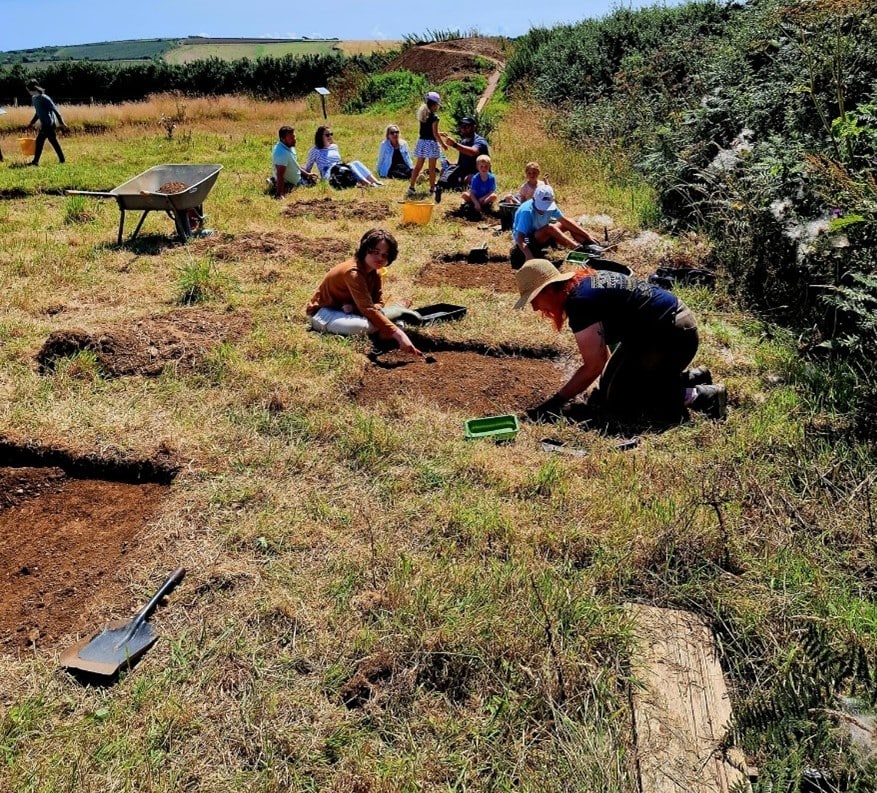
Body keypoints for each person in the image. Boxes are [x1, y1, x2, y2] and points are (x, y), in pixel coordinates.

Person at [513, 259, 727, 422]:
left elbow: (593, 365)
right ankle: (692, 377)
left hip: (671, 336)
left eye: (534, 299)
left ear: (549, 289)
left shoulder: (580, 303)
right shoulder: (582, 283)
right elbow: (606, 354)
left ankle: (702, 396)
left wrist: (555, 402)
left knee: (622, 400)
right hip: (668, 329)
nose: (534, 307)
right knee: (608, 388)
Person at [305, 228, 421, 356]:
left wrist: (356, 308)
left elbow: (379, 302)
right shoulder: (353, 272)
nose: (380, 258)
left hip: (350, 312)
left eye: (385, 255)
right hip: (324, 313)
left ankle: (386, 328)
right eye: (375, 252)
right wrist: (399, 335)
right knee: (363, 326)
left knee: (377, 319)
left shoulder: (374, 272)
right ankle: (389, 327)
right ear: (365, 249)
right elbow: (368, 309)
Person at [512, 184, 605, 263]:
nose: (544, 209)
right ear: (534, 198)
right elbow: (520, 238)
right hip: (529, 241)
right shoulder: (527, 212)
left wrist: (588, 235)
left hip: (543, 233)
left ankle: (590, 245)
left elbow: (564, 221)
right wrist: (529, 256)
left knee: (569, 222)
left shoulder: (550, 204)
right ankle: (578, 250)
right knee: (550, 228)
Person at [304, 126, 383, 188]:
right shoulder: (315, 150)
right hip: (328, 174)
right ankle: (367, 184)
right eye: (327, 135)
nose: (330, 137)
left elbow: (339, 161)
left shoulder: (334, 147)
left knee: (356, 162)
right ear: (320, 137)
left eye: (331, 134)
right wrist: (307, 175)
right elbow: (308, 168)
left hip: (339, 169)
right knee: (349, 165)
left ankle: (375, 181)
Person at [408, 91, 447, 202]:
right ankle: (431, 188)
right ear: (434, 105)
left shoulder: (423, 115)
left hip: (422, 142)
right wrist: (443, 144)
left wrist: (441, 133)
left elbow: (428, 131)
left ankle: (411, 186)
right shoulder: (435, 117)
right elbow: (434, 133)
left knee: (418, 166)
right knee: (432, 168)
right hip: (431, 144)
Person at [436, 116, 490, 197]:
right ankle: (447, 186)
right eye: (461, 127)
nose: (463, 129)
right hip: (464, 170)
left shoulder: (479, 141)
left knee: (469, 179)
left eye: (466, 127)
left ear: (474, 127)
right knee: (445, 171)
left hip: (478, 171)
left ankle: (461, 186)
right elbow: (461, 163)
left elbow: (473, 152)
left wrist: (455, 145)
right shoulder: (464, 141)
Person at [25, 80, 68, 166]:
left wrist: (62, 123)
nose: (28, 92)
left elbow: (55, 111)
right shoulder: (34, 99)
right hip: (44, 124)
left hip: (49, 124)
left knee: (41, 141)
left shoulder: (45, 98)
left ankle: (35, 162)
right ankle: (61, 160)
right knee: (51, 141)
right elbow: (38, 113)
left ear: (33, 89)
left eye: (28, 90)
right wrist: (31, 122)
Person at [270, 126, 317, 198]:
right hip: (295, 182)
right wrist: (280, 194)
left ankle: (273, 181)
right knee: (314, 182)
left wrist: (307, 174)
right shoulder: (281, 153)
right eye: (291, 138)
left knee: (311, 175)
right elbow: (280, 175)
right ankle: (280, 186)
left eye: (294, 137)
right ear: (283, 139)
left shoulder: (288, 146)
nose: (294, 140)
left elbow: (294, 164)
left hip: (296, 175)